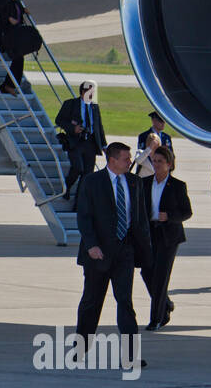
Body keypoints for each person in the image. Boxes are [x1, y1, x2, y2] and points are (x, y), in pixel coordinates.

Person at [75, 142, 151, 365]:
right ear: (113, 160)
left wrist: (145, 252)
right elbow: (84, 216)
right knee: (91, 302)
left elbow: (141, 220)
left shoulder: (135, 182)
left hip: (124, 251)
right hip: (97, 253)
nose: (130, 162)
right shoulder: (92, 182)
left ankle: (130, 356)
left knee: (125, 302)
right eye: (126, 159)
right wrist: (91, 245)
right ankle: (79, 350)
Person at [140, 146, 191, 330]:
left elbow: (187, 212)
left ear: (169, 164)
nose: (156, 164)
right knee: (146, 272)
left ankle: (157, 318)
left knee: (161, 276)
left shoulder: (178, 186)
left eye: (160, 161)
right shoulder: (144, 183)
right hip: (150, 233)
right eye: (154, 161)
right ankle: (166, 304)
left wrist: (169, 216)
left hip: (169, 235)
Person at [55, 81, 105, 200]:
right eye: (90, 92)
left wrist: (104, 144)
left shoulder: (94, 107)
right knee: (77, 168)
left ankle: (79, 202)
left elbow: (99, 126)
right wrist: (73, 128)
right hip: (76, 142)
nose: (93, 95)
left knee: (87, 175)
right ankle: (66, 187)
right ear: (83, 92)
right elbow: (59, 120)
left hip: (90, 143)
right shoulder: (70, 104)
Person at [131, 110, 172, 178]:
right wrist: (150, 147)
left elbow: (170, 155)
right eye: (161, 121)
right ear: (154, 121)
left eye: (164, 121)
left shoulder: (166, 137)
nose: (163, 123)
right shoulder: (144, 136)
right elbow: (139, 158)